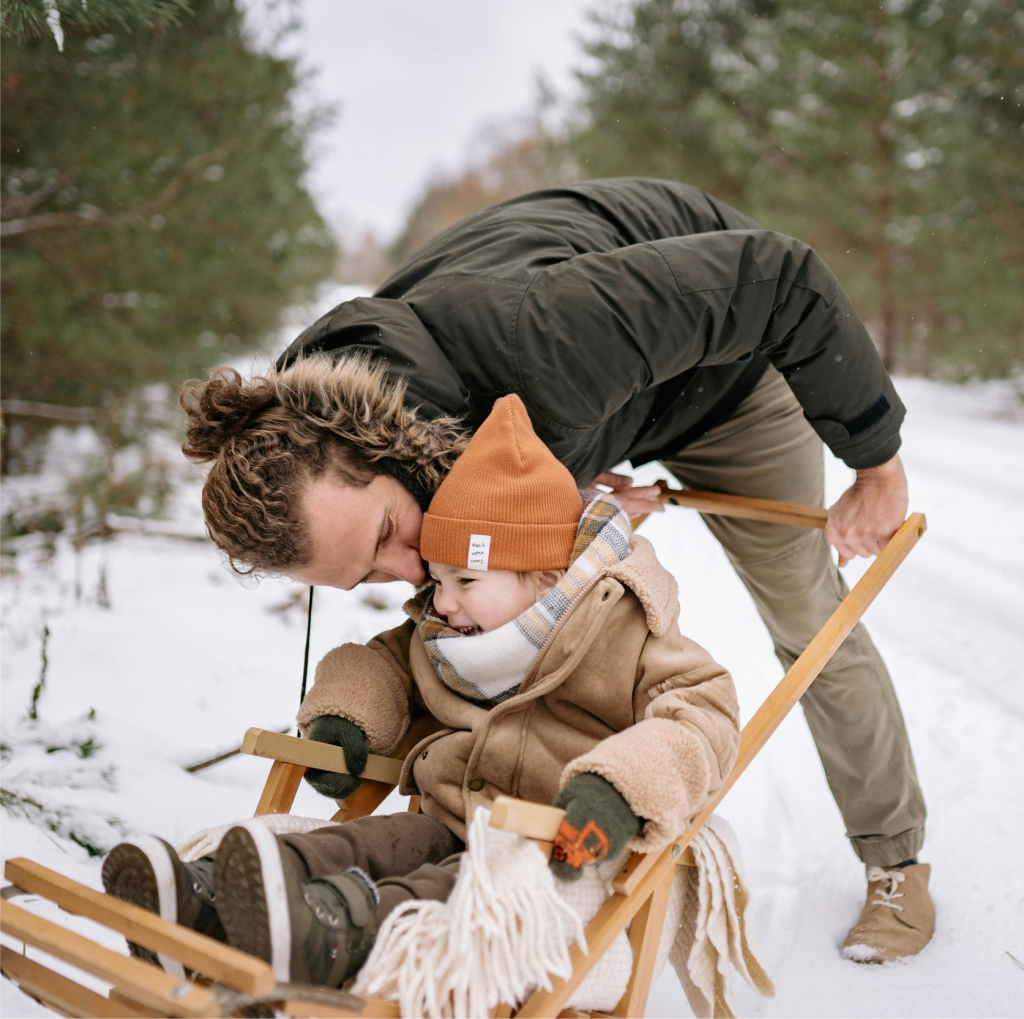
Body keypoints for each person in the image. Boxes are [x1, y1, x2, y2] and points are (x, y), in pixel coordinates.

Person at [178, 177, 934, 962]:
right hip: (584, 397)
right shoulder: (315, 426)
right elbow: (475, 472)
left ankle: (897, 858)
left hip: (730, 368)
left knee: (808, 614)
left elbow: (781, 278)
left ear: (376, 445)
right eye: (365, 577)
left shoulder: (541, 335)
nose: (407, 575)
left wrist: (875, 462)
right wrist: (562, 468)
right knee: (484, 609)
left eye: (387, 536)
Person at [103, 394, 740, 987]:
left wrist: (618, 787)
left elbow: (702, 714)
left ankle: (337, 930)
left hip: (545, 847)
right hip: (449, 815)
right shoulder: (447, 633)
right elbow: (383, 662)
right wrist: (346, 718)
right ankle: (207, 897)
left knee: (446, 890)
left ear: (546, 578)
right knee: (365, 843)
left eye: (465, 579)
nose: (442, 601)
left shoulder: (623, 632)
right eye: (437, 580)